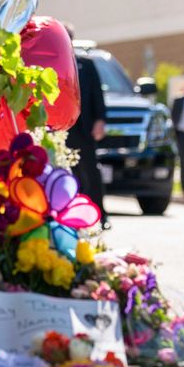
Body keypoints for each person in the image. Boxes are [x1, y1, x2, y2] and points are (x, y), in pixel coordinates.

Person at [63, 24, 110, 230]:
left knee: (90, 171)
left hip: (84, 127)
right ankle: (70, 215)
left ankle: (100, 214)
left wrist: (101, 120)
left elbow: (97, 95)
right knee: (68, 172)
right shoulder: (52, 63)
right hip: (62, 129)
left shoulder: (86, 64)